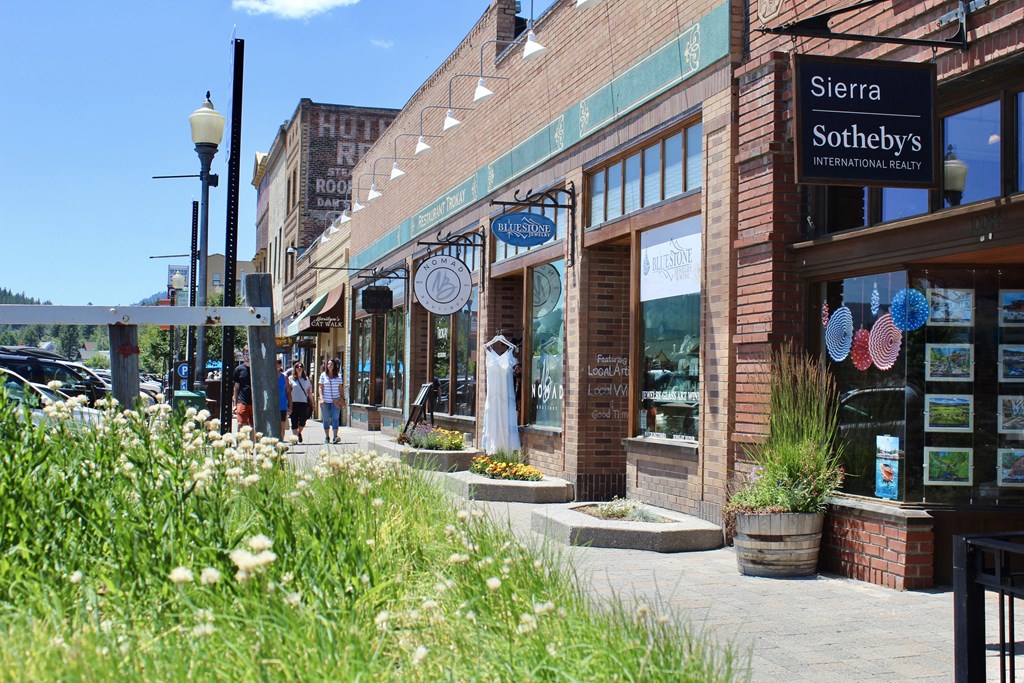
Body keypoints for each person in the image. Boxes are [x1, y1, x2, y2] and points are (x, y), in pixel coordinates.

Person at [319, 357, 344, 444]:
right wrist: (321, 398)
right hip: (325, 401)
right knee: (326, 419)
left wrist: (342, 399)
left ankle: (335, 436)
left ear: (334, 366)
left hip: (335, 401)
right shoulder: (323, 375)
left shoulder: (339, 376)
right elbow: (320, 388)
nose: (329, 366)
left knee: (335, 418)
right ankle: (327, 436)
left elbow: (340, 388)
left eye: (331, 364)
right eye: (328, 364)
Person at [288, 360, 314, 443]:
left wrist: (312, 403)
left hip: (303, 403)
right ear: (294, 369)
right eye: (297, 367)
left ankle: (299, 432)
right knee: (294, 420)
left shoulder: (306, 380)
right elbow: (288, 391)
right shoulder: (290, 379)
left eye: (301, 367)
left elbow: (309, 392)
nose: (299, 368)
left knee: (303, 420)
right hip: (293, 402)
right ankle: (294, 438)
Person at [232, 346, 253, 429]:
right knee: (241, 424)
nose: (248, 357)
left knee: (253, 426)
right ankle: (240, 441)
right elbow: (236, 388)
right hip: (242, 401)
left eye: (250, 354)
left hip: (255, 402)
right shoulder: (239, 369)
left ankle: (252, 442)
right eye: (246, 354)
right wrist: (235, 404)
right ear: (243, 355)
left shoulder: (257, 369)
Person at [277, 358, 292, 440]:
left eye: (278, 363)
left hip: (282, 405)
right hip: (272, 405)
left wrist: (290, 406)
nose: (276, 365)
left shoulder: (284, 377)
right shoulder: (269, 377)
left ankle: (281, 442)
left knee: (282, 425)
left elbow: (288, 392)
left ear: (280, 365)